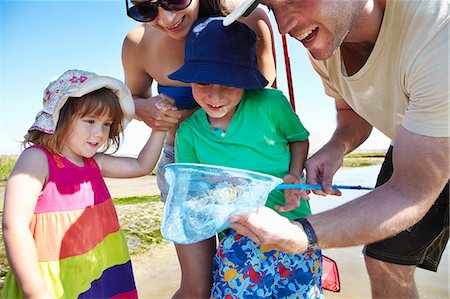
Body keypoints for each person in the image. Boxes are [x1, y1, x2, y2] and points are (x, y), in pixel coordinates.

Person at [224, 0, 449, 298]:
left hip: (430, 150)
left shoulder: (437, 32)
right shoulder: (325, 44)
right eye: (272, 6)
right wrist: (336, 148)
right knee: (384, 263)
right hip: (416, 143)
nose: (282, 25)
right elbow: (351, 113)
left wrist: (300, 235)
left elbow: (410, 191)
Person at [122, 0, 277, 297]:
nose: (167, 18)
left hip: (246, 165)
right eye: (146, 9)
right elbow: (131, 100)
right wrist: (145, 108)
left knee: (257, 279)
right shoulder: (137, 42)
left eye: (175, 0)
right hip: (182, 167)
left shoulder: (247, 18)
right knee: (197, 286)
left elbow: (268, 98)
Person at [159, 17, 322, 298]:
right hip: (238, 235)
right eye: (203, 83)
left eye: (229, 83)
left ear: (246, 80)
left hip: (292, 224)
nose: (215, 95)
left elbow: (299, 138)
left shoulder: (270, 103)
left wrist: (295, 174)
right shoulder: (188, 133)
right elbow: (193, 191)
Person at [1, 69, 166, 299]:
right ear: (60, 116)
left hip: (101, 271)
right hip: (55, 281)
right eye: (90, 121)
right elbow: (14, 226)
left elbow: (141, 165)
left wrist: (160, 129)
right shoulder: (37, 159)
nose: (99, 133)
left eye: (107, 124)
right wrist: (34, 290)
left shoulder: (94, 163)